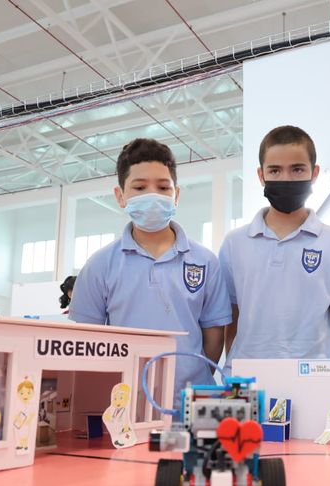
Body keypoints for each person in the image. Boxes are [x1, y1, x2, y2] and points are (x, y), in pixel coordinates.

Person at [69, 139, 231, 400]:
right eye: (140, 187)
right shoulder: (99, 265)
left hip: (191, 402)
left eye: (163, 187)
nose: (153, 195)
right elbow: (88, 340)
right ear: (120, 196)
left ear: (176, 195)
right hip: (124, 402)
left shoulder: (205, 261)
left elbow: (213, 337)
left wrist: (191, 379)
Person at [219, 126, 330, 374]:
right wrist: (236, 368)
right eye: (275, 170)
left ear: (314, 173)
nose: (286, 178)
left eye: (297, 169)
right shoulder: (234, 243)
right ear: (261, 175)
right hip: (249, 377)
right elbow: (231, 317)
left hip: (315, 376)